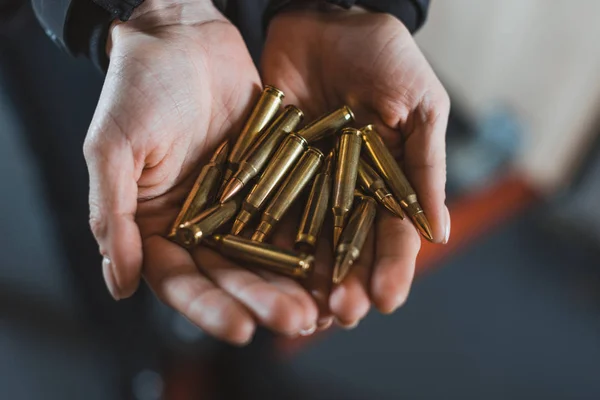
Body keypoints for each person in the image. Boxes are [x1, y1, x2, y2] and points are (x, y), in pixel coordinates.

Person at [32, 0, 450, 345]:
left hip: (266, 36)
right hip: (102, 39)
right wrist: (156, 11)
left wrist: (344, 6)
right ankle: (128, 355)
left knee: (267, 303)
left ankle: (246, 359)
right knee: (90, 194)